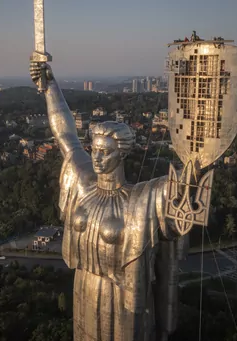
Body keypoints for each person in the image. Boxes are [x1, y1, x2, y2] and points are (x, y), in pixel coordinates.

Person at [29, 62, 191, 341]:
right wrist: (50, 86)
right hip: (84, 288)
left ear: (122, 154)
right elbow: (65, 135)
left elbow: (187, 188)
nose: (97, 158)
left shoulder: (142, 199)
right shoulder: (82, 182)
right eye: (95, 150)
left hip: (123, 300)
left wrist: (201, 149)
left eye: (106, 152)